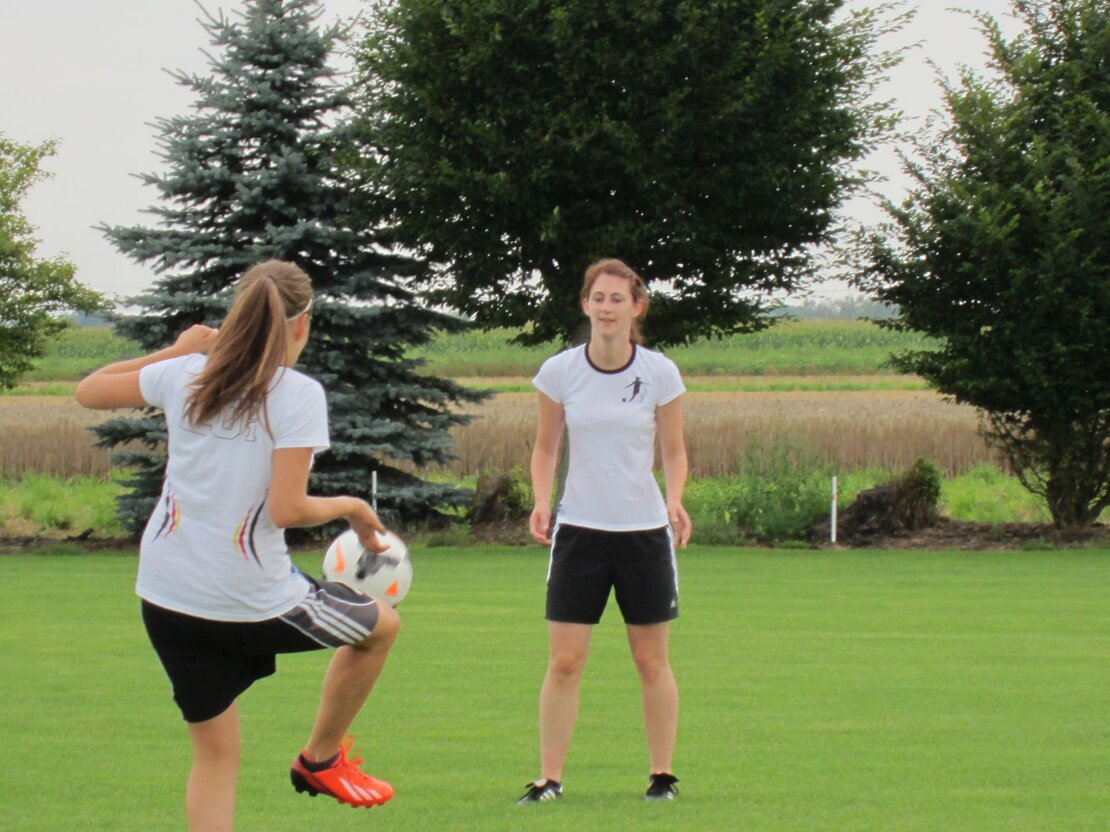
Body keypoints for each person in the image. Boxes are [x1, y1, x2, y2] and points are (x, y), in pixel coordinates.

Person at [75, 260, 400, 831]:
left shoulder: (185, 373)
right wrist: (353, 506)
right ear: (302, 324)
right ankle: (320, 760)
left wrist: (176, 351)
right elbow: (287, 509)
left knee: (215, 756)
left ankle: (319, 761)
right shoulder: (296, 393)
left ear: (238, 314)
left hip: (166, 597)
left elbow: (88, 390)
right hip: (251, 599)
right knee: (381, 627)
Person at [520, 258, 692, 803]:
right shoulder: (559, 372)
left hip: (644, 534)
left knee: (651, 660)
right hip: (579, 533)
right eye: (598, 298)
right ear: (585, 304)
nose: (607, 307)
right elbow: (546, 448)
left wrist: (674, 499)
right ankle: (549, 780)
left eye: (618, 298)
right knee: (565, 661)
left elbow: (674, 450)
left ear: (636, 307)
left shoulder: (660, 373)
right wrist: (541, 501)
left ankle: (662, 777)